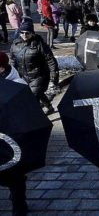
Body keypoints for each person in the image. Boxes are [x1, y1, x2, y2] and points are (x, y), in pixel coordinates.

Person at [9, 19, 59, 115]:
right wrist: (12, 74)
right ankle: (49, 107)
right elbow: (12, 60)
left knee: (32, 97)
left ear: (32, 33)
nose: (24, 35)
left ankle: (37, 118)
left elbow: (51, 61)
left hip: (39, 76)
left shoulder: (40, 45)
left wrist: (54, 77)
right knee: (38, 93)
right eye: (22, 33)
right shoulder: (15, 44)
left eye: (27, 33)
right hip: (23, 76)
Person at [0, 52, 28, 216]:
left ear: (2, 68)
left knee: (15, 174)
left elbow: (26, 111)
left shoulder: (18, 84)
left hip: (13, 137)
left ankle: (19, 204)